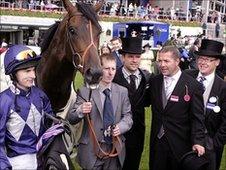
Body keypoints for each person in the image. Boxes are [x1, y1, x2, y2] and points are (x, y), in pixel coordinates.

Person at [67, 53, 133, 169]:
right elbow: (71, 118)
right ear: (99, 69)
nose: (111, 72)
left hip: (114, 149)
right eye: (107, 68)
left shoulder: (122, 92)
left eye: (113, 69)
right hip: (92, 150)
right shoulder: (85, 92)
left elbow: (128, 117)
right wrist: (81, 110)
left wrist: (121, 127)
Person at [147, 45, 206, 170]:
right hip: (157, 144)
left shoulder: (193, 86)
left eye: (166, 61)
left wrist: (198, 141)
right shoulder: (155, 82)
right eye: (160, 61)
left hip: (180, 145)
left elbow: (197, 118)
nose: (162, 65)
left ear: (177, 61)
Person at [0, 45, 53, 169]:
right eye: (27, 71)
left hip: (42, 161)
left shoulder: (40, 95)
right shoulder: (4, 100)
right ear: (14, 73)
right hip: (15, 163)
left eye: (34, 70)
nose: (33, 75)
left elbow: (49, 125)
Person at [185, 39, 226, 170]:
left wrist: (214, 144)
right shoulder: (186, 77)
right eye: (201, 58)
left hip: (211, 145)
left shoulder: (223, 87)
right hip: (184, 139)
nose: (203, 62)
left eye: (208, 59)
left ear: (217, 62)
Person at [113, 37, 152, 170]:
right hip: (117, 134)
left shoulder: (146, 78)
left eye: (137, 56)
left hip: (137, 134)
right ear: (123, 57)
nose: (134, 60)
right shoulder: (112, 78)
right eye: (130, 56)